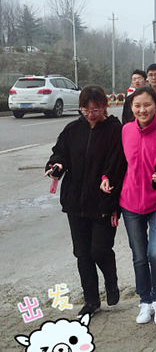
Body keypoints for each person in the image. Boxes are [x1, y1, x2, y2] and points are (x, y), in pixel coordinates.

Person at [45, 86, 126, 318]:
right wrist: (56, 165)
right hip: (75, 203)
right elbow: (60, 153)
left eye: (95, 110)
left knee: (99, 250)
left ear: (105, 106)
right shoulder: (73, 129)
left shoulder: (115, 130)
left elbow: (118, 163)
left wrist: (110, 189)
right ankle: (91, 300)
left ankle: (111, 282)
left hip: (103, 202)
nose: (90, 114)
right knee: (82, 254)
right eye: (85, 110)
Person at [118, 87, 156, 325]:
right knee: (139, 256)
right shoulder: (126, 130)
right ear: (131, 107)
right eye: (137, 105)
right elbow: (118, 164)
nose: (142, 110)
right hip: (130, 204)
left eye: (147, 105)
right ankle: (144, 301)